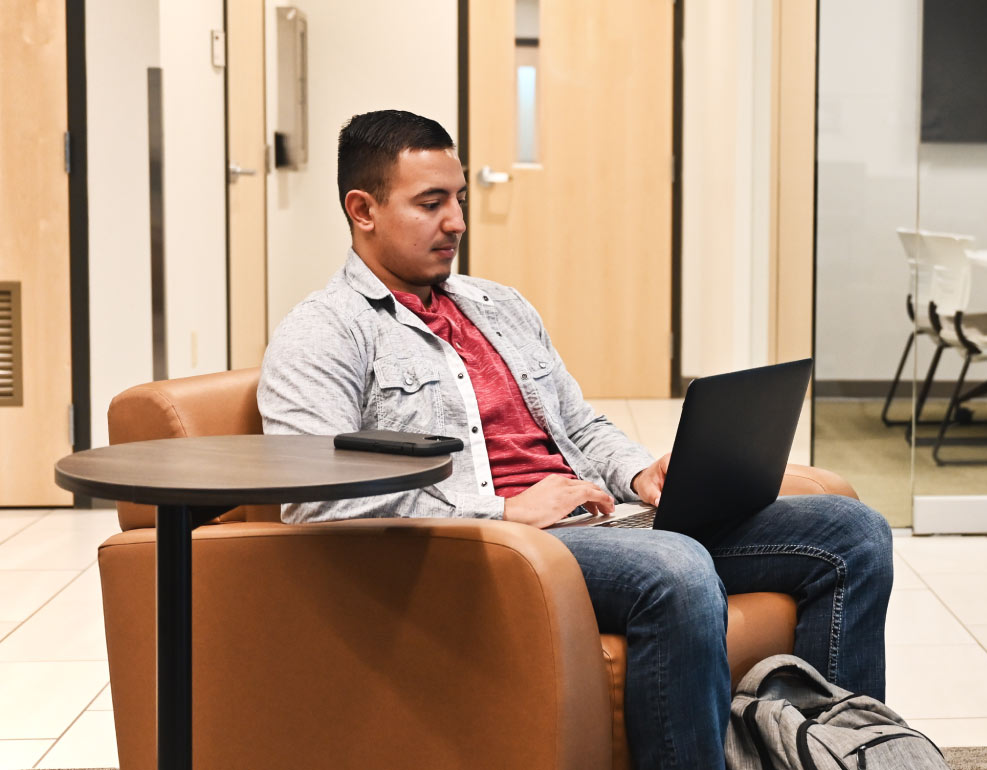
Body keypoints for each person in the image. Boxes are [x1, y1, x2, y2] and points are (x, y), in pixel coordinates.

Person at [257, 110, 892, 770]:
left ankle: (832, 756)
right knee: (675, 568)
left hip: (594, 524)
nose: (458, 223)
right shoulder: (323, 334)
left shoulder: (499, 307)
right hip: (495, 549)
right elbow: (313, 503)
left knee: (852, 533)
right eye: (432, 203)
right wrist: (503, 511)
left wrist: (637, 474)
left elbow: (579, 425)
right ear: (362, 209)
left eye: (461, 199)